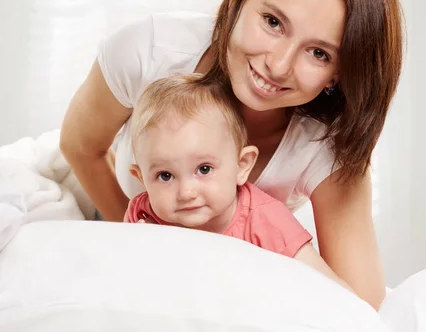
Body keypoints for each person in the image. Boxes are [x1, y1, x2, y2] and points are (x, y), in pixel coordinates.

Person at [60, 0, 403, 310]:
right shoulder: (149, 52)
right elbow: (80, 145)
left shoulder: (328, 149)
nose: (278, 64)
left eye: (318, 52)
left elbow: (362, 308)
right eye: (273, 22)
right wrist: (149, 242)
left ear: (338, 75)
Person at [124, 73, 351, 291]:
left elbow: (330, 290)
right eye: (165, 176)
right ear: (142, 179)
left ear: (242, 165)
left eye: (204, 169)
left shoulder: (267, 221)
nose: (186, 192)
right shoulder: (144, 216)